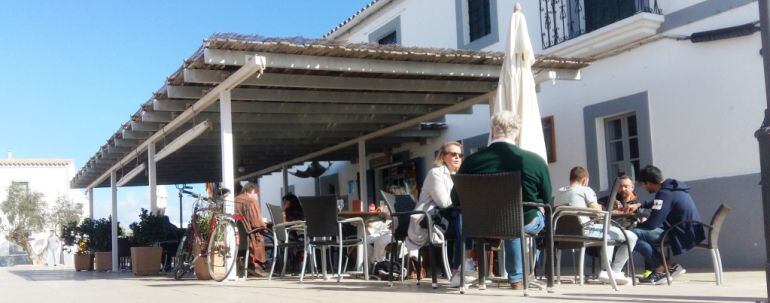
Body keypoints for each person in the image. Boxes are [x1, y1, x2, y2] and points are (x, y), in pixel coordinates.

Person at [455, 111, 550, 290]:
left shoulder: (472, 161)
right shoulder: (534, 161)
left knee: (511, 222)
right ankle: (519, 276)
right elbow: (546, 199)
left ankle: (486, 276)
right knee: (526, 218)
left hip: (481, 225)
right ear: (517, 132)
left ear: (492, 131)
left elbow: (455, 197)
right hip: (524, 221)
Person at [405, 141, 473, 287]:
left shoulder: (458, 175)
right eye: (453, 154)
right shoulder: (435, 173)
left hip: (449, 220)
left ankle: (461, 271)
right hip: (429, 222)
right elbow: (445, 203)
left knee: (468, 222)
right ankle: (461, 269)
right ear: (442, 157)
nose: (457, 157)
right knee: (464, 220)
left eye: (460, 155)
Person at [554, 166, 637, 285]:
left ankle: (607, 271)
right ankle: (612, 271)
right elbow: (598, 213)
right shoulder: (585, 190)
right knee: (631, 236)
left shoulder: (558, 193)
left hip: (563, 234)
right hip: (585, 230)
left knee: (608, 233)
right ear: (584, 180)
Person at [627, 165, 706, 285]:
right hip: (690, 230)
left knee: (631, 235)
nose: (643, 187)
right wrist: (640, 205)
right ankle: (668, 267)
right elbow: (662, 203)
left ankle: (661, 268)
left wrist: (638, 226)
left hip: (680, 234)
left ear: (648, 182)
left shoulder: (664, 194)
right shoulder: (673, 189)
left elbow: (653, 223)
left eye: (643, 184)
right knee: (638, 235)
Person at [234, 182, 268, 277]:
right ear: (251, 190)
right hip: (251, 236)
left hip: (239, 239)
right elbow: (256, 223)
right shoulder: (251, 201)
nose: (257, 196)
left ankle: (247, 265)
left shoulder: (234, 200)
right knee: (270, 236)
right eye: (257, 193)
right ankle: (256, 265)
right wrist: (264, 226)